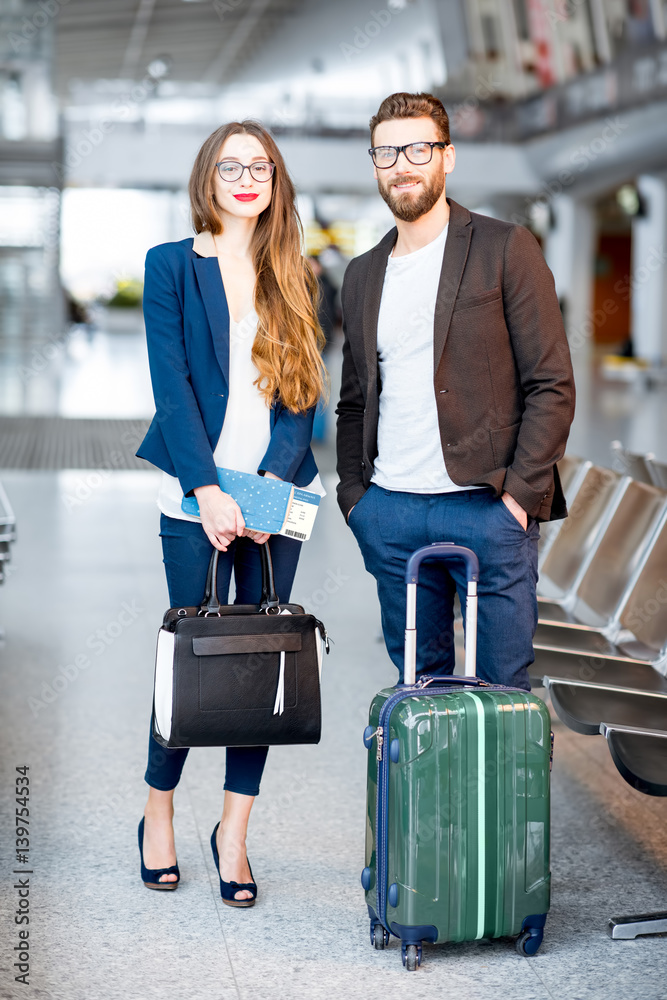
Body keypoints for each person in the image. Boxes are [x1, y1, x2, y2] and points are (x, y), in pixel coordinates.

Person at [135, 119, 327, 903]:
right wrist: (211, 492)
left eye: (260, 165)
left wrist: (265, 496)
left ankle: (234, 835)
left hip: (277, 501)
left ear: (276, 179)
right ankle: (157, 813)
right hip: (193, 498)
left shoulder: (296, 270)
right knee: (189, 656)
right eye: (229, 165)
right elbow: (171, 386)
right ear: (207, 179)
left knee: (262, 660)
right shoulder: (171, 266)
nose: (246, 177)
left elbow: (301, 397)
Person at [336, 92, 575, 689]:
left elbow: (551, 382)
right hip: (390, 508)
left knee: (503, 693)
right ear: (373, 164)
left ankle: (502, 787)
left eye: (419, 147)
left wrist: (519, 498)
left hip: (486, 507)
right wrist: (357, 500)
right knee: (420, 691)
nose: (403, 164)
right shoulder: (363, 273)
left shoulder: (504, 247)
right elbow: (355, 397)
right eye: (387, 151)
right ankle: (428, 785)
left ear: (447, 157)